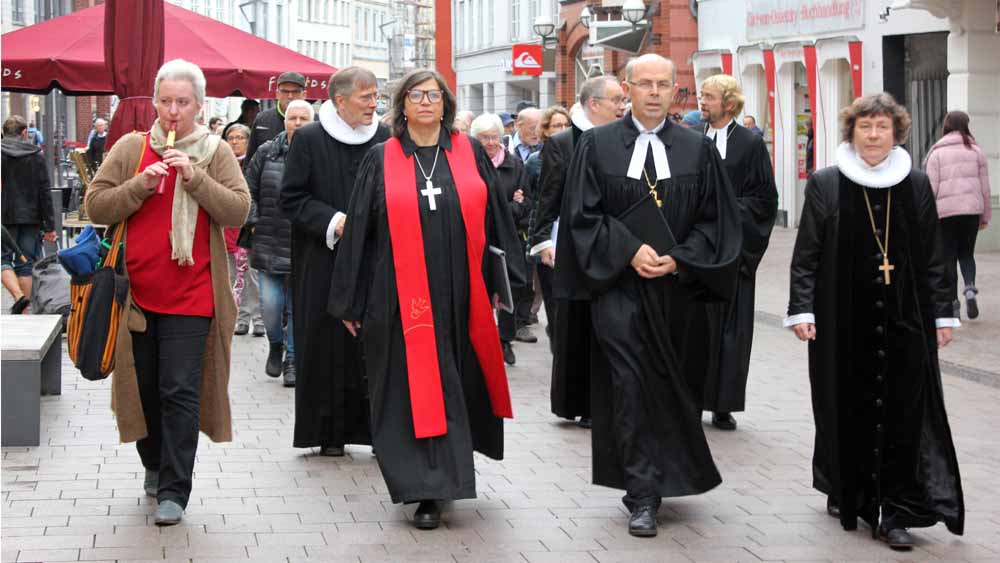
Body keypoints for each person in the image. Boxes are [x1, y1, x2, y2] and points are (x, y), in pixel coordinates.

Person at [329, 68, 524, 531]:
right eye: (415, 95)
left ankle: (447, 477)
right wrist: (350, 301)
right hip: (399, 297)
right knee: (411, 388)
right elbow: (360, 231)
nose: (424, 103)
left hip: (461, 294)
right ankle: (425, 488)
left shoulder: (468, 151)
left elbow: (496, 219)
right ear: (402, 104)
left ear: (445, 104)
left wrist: (507, 281)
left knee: (453, 381)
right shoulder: (382, 158)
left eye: (433, 96)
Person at [561, 54, 741, 537]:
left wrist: (681, 257)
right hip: (618, 288)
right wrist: (628, 250)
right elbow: (582, 217)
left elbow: (716, 222)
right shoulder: (596, 146)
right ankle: (641, 491)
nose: (656, 92)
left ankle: (667, 473)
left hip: (679, 291)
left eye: (666, 83)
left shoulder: (698, 149)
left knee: (674, 385)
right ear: (628, 89)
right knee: (629, 384)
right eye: (646, 84)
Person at [785, 93, 964, 550]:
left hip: (906, 320)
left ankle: (895, 508)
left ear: (896, 133)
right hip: (842, 321)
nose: (873, 135)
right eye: (865, 127)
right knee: (846, 408)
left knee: (905, 411)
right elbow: (806, 254)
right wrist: (802, 309)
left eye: (882, 127)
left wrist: (944, 313)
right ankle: (849, 487)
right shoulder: (826, 183)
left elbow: (934, 256)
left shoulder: (916, 183)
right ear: (851, 132)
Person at [84, 59, 251, 526]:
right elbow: (95, 205)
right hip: (135, 295)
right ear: (154, 102)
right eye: (165, 101)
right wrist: (140, 184)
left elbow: (239, 211)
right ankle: (154, 466)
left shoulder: (215, 151)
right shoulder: (131, 147)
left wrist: (194, 179)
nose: (172, 111)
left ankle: (175, 490)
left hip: (194, 295)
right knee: (146, 391)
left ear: (199, 105)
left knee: (180, 390)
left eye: (182, 102)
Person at [280, 66, 389, 457]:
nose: (374, 104)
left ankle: (379, 430)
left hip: (374, 260)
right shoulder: (309, 138)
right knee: (325, 345)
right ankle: (328, 431)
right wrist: (334, 221)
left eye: (376, 96)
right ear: (340, 100)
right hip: (323, 259)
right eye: (366, 97)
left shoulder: (385, 136)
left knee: (374, 344)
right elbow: (290, 198)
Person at [528, 76, 625, 428]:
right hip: (573, 245)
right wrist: (542, 240)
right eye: (616, 100)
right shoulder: (562, 142)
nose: (622, 106)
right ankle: (583, 402)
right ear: (593, 103)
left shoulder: (623, 138)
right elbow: (548, 194)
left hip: (613, 245)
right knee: (578, 324)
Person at [698, 74, 778, 430]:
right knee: (695, 327)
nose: (703, 102)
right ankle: (691, 398)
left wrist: (725, 213)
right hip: (695, 251)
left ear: (728, 103)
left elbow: (764, 200)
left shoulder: (750, 145)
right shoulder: (689, 140)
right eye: (701, 96)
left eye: (709, 97)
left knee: (731, 331)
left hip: (733, 252)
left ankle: (723, 404)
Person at [244, 100, 313, 387]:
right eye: (292, 118)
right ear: (284, 120)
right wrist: (254, 219)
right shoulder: (266, 152)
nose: (297, 123)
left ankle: (293, 361)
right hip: (270, 239)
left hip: (304, 243)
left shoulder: (319, 154)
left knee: (298, 308)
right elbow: (247, 188)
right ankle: (275, 343)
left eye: (303, 118)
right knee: (271, 307)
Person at [471, 112, 531, 365]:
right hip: (478, 236)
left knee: (509, 287)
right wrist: (507, 204)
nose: (491, 143)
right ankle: (481, 339)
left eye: (495, 137)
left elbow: (526, 201)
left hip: (509, 236)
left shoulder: (514, 164)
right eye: (485, 138)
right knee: (481, 288)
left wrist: (510, 208)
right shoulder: (470, 164)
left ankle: (505, 340)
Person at [924, 110, 992, 319]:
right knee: (966, 254)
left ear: (945, 127)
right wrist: (985, 216)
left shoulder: (936, 153)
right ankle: (970, 288)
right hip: (971, 211)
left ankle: (953, 304)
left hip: (945, 214)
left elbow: (930, 189)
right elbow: (985, 188)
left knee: (948, 258)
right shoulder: (976, 151)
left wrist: (927, 219)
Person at [1, 115, 57, 313]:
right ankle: (26, 312)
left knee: (3, 260)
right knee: (26, 263)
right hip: (31, 218)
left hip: (4, 217)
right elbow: (45, 192)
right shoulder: (36, 155)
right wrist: (50, 226)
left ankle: (19, 298)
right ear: (24, 133)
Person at [222, 124, 264, 337]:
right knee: (230, 277)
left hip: (249, 228)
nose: (235, 141)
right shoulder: (221, 163)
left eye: (240, 137)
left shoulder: (255, 162)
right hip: (226, 228)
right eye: (231, 137)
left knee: (252, 276)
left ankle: (258, 320)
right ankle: (238, 318)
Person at [247, 71, 307, 162]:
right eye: (285, 91)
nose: (290, 96)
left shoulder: (316, 121)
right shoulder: (262, 120)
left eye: (295, 92)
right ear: (277, 94)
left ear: (304, 95)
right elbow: (250, 159)